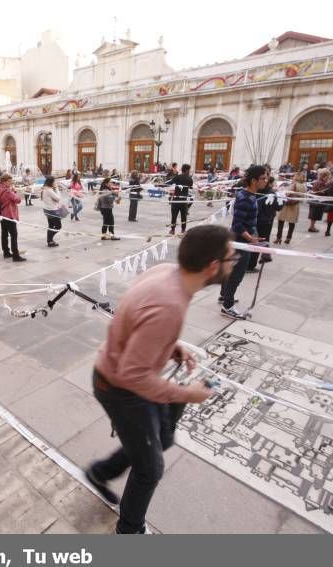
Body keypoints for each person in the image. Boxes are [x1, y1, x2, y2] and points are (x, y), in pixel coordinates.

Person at [86, 225, 234, 534]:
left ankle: (100, 472)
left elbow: (140, 320)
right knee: (150, 469)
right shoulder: (169, 305)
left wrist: (171, 346)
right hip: (119, 388)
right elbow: (133, 375)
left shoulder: (168, 272)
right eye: (231, 257)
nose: (235, 263)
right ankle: (129, 530)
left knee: (162, 438)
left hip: (121, 375)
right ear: (212, 266)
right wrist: (186, 394)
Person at [219, 165, 267, 319]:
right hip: (240, 241)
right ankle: (228, 306)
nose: (266, 181)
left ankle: (224, 296)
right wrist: (250, 238)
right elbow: (237, 224)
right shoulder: (245, 198)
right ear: (253, 180)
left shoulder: (249, 195)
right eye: (263, 178)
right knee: (237, 274)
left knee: (230, 270)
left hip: (241, 239)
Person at [247, 175, 281, 272]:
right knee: (260, 241)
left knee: (256, 240)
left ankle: (258, 259)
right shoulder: (270, 193)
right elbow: (278, 207)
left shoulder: (257, 191)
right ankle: (251, 265)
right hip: (265, 220)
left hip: (257, 219)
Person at [0, 173, 26, 262]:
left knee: (4, 234)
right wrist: (14, 191)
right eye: (10, 181)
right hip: (9, 215)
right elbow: (18, 200)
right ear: (5, 181)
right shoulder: (7, 191)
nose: (11, 183)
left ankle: (6, 252)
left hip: (1, 214)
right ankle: (15, 255)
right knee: (14, 235)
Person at [275, 172, 304, 244]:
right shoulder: (303, 186)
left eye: (294, 176)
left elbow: (286, 194)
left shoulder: (293, 185)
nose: (292, 177)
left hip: (287, 205)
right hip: (296, 205)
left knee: (281, 220)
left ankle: (279, 237)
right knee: (292, 223)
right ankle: (288, 238)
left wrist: (281, 191)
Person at [167, 164, 194, 235]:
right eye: (189, 170)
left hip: (176, 199)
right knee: (183, 216)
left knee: (174, 215)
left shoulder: (178, 177)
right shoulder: (189, 178)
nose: (190, 171)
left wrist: (160, 184)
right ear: (187, 170)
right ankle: (183, 230)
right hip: (183, 201)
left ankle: (172, 230)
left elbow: (170, 182)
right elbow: (191, 187)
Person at [306, 168, 331, 232]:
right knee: (314, 214)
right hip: (316, 201)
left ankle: (312, 226)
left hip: (316, 201)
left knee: (315, 214)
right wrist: (327, 187)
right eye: (327, 176)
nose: (328, 177)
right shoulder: (320, 182)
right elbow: (320, 191)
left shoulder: (320, 182)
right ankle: (312, 227)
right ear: (324, 176)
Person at [41, 176, 62, 247]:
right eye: (54, 181)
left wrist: (55, 189)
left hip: (48, 209)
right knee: (58, 226)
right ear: (51, 182)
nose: (55, 183)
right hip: (52, 210)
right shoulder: (49, 190)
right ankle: (49, 239)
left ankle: (50, 241)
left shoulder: (46, 188)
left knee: (51, 225)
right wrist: (57, 189)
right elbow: (58, 198)